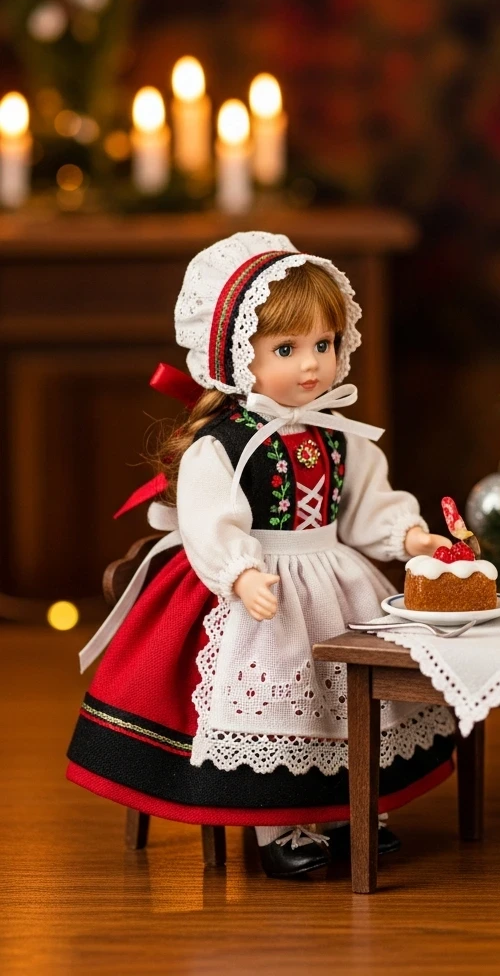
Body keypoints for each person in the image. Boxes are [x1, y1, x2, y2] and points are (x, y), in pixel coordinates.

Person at [68, 231, 456, 878]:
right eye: (287, 349)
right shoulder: (223, 444)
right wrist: (240, 573)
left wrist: (410, 537)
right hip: (261, 585)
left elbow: (366, 506)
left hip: (337, 579)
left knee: (348, 698)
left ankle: (352, 808)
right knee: (282, 695)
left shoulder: (340, 436)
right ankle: (281, 824)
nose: (312, 366)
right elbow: (207, 519)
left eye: (324, 346)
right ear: (234, 358)